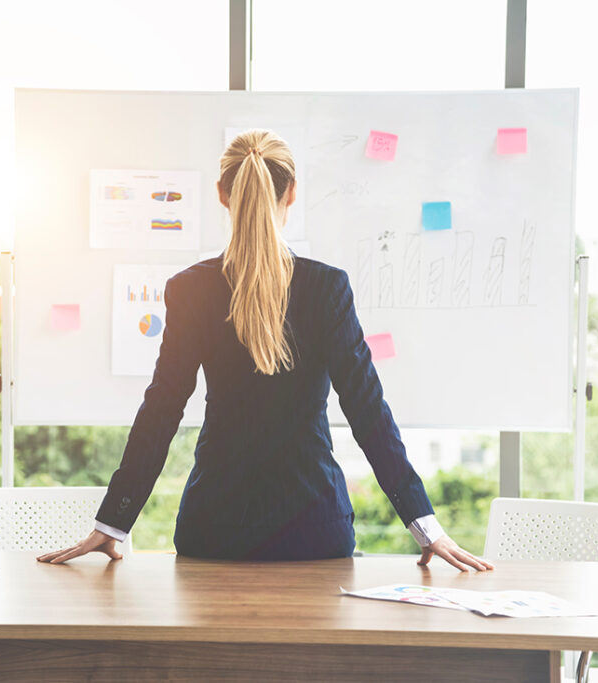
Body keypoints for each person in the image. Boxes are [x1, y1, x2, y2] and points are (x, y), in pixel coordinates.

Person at [38, 129, 492, 571]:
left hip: (215, 529)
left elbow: (162, 407)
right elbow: (367, 410)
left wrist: (113, 522)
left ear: (221, 193)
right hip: (314, 530)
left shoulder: (190, 289)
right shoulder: (326, 287)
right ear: (291, 193)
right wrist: (424, 524)